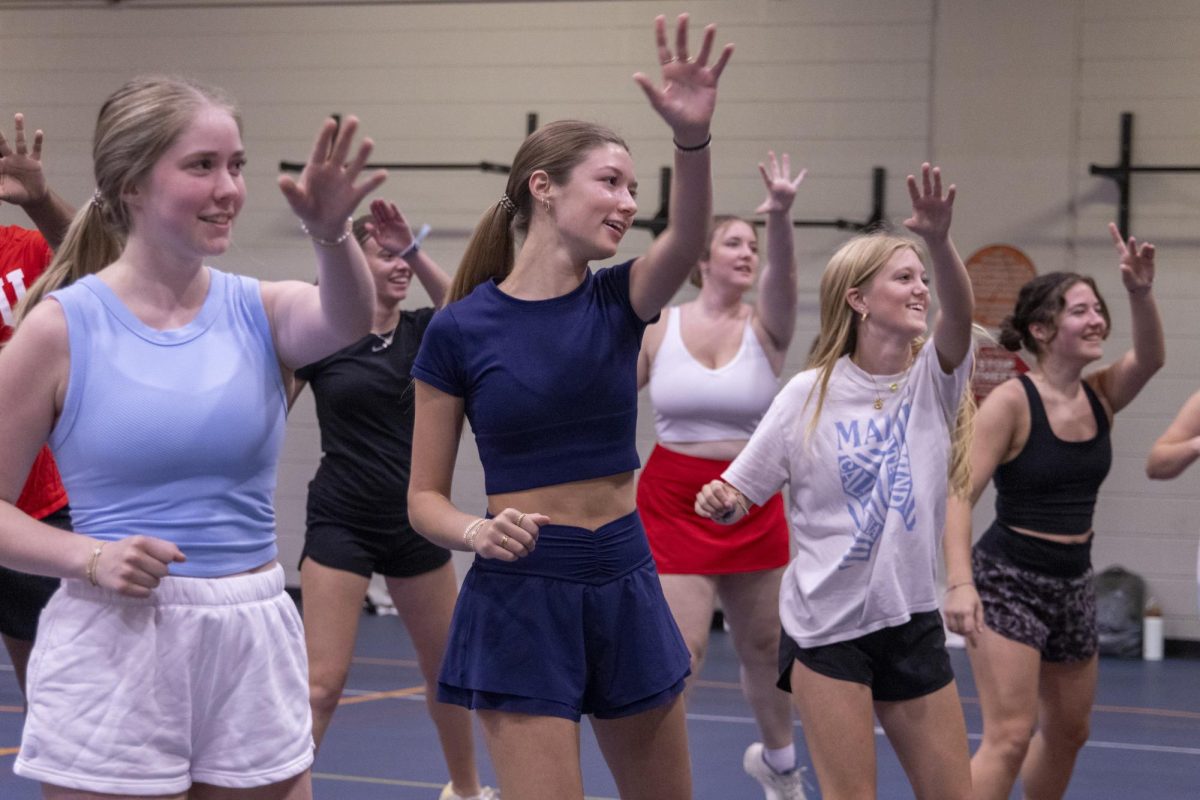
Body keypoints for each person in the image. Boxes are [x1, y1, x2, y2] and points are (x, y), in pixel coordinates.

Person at [0, 75, 385, 798]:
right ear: (133, 185)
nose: (229, 188)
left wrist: (332, 233)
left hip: (250, 633)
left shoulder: (260, 309)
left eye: (235, 164)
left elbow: (348, 321)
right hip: (116, 642)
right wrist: (88, 556)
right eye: (201, 166)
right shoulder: (60, 327)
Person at [406, 14, 733, 800]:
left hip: (625, 572)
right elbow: (422, 499)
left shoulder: (619, 301)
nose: (625, 202)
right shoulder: (458, 328)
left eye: (630, 186)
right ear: (543, 189)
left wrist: (693, 141)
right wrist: (476, 531)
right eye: (609, 182)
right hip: (522, 593)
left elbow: (686, 239)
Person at [695, 164, 976, 800]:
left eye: (923, 279)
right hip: (827, 630)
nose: (921, 290)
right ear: (857, 298)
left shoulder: (932, 379)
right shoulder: (807, 395)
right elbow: (742, 490)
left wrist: (938, 240)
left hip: (911, 621)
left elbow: (960, 313)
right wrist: (723, 499)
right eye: (904, 278)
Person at [943, 223, 1162, 800]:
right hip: (1008, 581)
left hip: (1072, 584)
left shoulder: (1102, 395)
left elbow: (1153, 357)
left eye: (1099, 309)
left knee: (1069, 731)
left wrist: (1140, 293)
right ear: (1042, 330)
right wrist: (960, 584)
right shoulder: (1012, 403)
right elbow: (958, 493)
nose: (1097, 321)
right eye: (1080, 311)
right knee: (1010, 735)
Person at [292, 199, 496, 800]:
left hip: (415, 521)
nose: (400, 266)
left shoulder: (425, 330)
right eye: (384, 255)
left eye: (403, 254)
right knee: (321, 685)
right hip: (340, 519)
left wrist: (411, 247)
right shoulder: (323, 336)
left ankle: (464, 789)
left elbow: (472, 308)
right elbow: (269, 402)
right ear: (355, 261)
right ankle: (284, 790)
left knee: (446, 675)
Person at [636, 150, 807, 799]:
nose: (747, 251)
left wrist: (781, 218)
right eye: (732, 242)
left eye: (752, 245)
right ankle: (661, 781)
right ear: (700, 259)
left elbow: (784, 278)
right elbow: (601, 393)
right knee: (682, 652)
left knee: (766, 645)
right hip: (673, 500)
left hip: (750, 495)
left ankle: (782, 767)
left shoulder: (768, 326)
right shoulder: (660, 328)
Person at [0, 112, 76, 699]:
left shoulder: (23, 252)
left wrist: (40, 199)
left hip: (25, 509)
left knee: (50, 690)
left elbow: (109, 259)